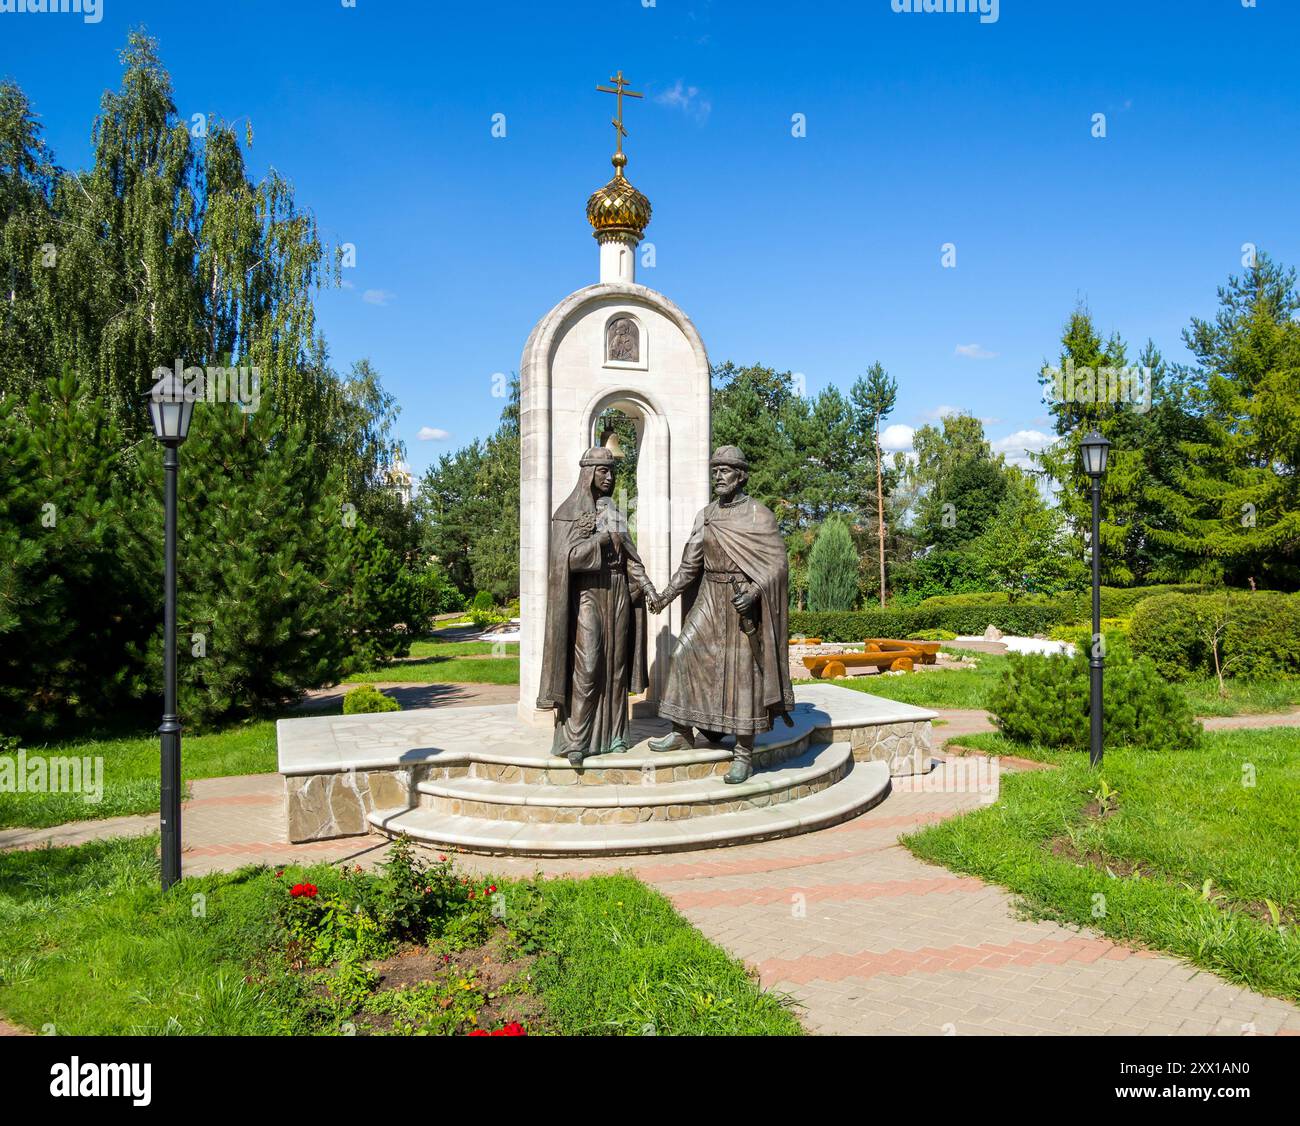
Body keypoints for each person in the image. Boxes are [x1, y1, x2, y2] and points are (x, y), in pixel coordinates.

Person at [647, 445, 795, 783]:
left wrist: (755, 593)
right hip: (710, 596)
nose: (718, 476)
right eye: (715, 470)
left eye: (725, 470)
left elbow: (777, 565)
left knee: (744, 674)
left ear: (741, 475)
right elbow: (690, 565)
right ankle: (682, 731)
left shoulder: (760, 515)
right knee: (685, 653)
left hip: (741, 598)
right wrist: (665, 596)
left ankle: (744, 753)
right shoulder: (707, 515)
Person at [536, 447, 657, 765]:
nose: (610, 477)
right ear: (588, 473)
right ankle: (575, 739)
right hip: (587, 595)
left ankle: (615, 735)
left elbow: (630, 558)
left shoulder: (614, 511)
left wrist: (647, 586)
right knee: (588, 666)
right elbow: (565, 561)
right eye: (603, 471)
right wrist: (598, 541)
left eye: (612, 471)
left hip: (617, 592)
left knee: (614, 667)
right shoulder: (568, 512)